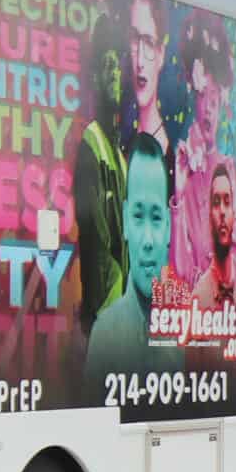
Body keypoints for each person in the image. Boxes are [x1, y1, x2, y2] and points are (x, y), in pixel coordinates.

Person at [86, 132, 188, 390]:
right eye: (138, 216)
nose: (147, 240)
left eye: (155, 218)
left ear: (167, 226)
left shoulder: (182, 337)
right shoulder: (104, 336)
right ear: (125, 222)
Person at [72, 13, 128, 330]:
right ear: (95, 79)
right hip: (106, 316)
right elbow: (96, 236)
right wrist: (110, 306)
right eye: (108, 68)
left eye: (118, 67)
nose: (116, 75)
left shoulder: (118, 156)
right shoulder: (91, 146)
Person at [170, 24, 231, 284]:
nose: (208, 109)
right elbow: (181, 271)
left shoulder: (229, 173)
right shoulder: (184, 168)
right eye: (203, 96)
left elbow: (234, 269)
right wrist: (180, 197)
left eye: (215, 98)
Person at [192, 154, 236, 311]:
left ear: (234, 213)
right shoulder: (199, 298)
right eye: (216, 202)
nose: (222, 211)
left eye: (227, 202)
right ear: (209, 215)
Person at [127, 0, 167, 149]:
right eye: (134, 39)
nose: (140, 62)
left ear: (161, 54)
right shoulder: (124, 146)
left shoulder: (168, 153)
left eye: (149, 42)